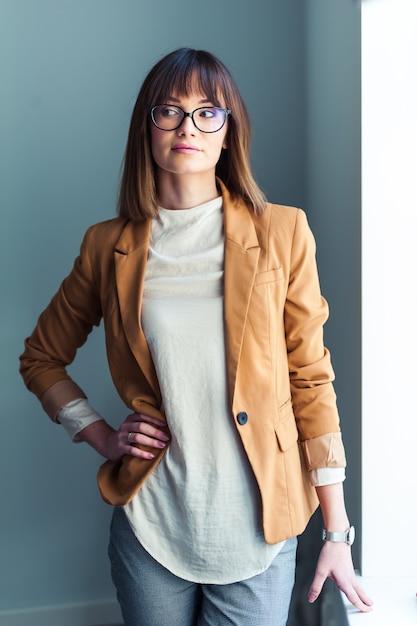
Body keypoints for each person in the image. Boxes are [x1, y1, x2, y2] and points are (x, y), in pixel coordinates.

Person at [19, 47, 372, 626]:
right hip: (151, 525)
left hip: (258, 530)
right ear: (147, 128)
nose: (188, 126)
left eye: (209, 111)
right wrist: (100, 434)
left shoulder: (282, 232)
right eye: (170, 111)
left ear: (229, 133)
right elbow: (41, 359)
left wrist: (337, 530)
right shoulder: (107, 246)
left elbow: (311, 379)